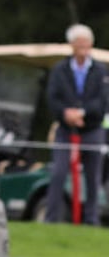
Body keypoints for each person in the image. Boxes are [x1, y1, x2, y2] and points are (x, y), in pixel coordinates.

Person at [45, 24, 106, 225]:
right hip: (65, 128)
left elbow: (103, 100)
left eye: (86, 44)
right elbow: (52, 98)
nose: (83, 48)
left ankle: (91, 219)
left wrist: (82, 113)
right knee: (59, 172)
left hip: (92, 129)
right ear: (71, 45)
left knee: (92, 177)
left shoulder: (100, 71)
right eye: (79, 44)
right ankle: (51, 218)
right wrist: (65, 114)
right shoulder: (60, 70)